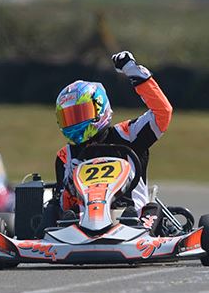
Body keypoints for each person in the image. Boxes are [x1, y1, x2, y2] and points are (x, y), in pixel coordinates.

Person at [39, 50, 173, 235]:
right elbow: (64, 203)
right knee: (55, 210)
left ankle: (141, 232)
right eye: (68, 117)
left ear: (99, 108)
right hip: (81, 224)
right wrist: (71, 184)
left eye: (79, 114)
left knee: (150, 209)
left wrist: (134, 72)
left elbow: (162, 113)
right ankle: (62, 235)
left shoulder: (127, 135)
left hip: (132, 220)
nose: (74, 122)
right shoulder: (66, 156)